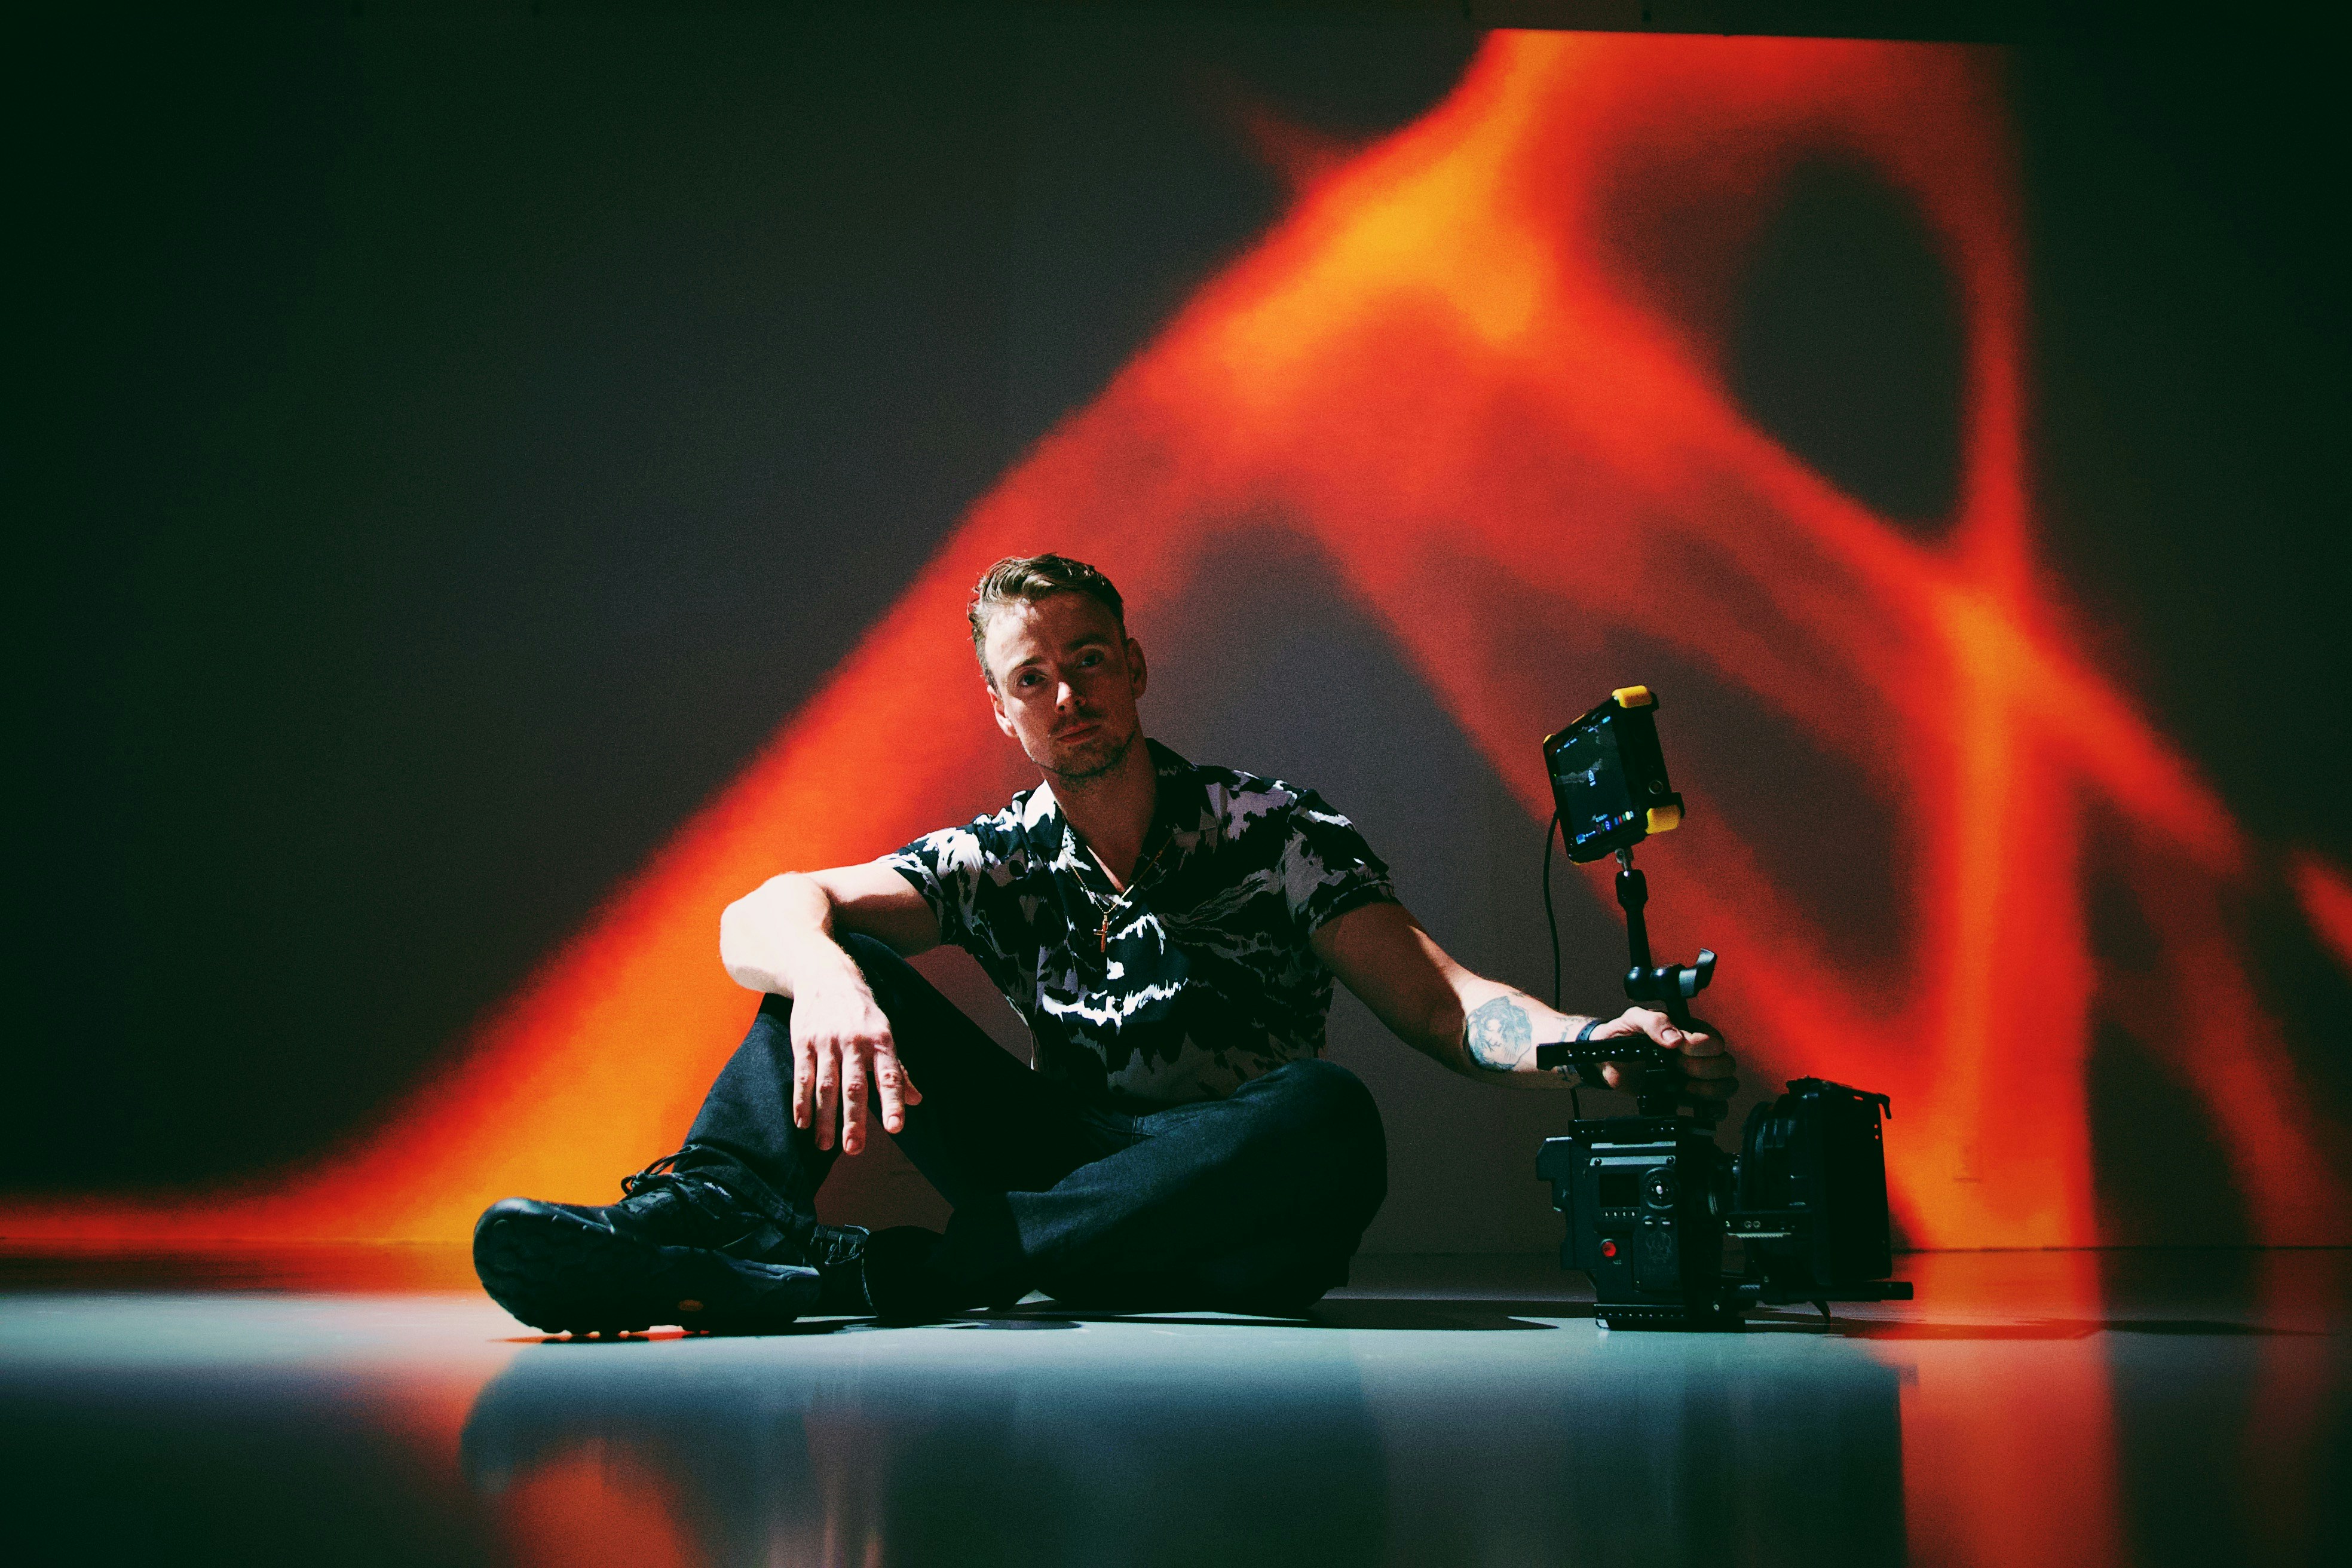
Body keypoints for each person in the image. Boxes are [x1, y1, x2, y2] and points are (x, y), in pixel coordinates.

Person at [472, 554, 1735, 1333]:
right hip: (1061, 1175)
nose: (1067, 696)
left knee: (1329, 1113)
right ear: (1006, 709)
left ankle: (891, 1278)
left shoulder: (1270, 827)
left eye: (1089, 662)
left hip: (1234, 1204)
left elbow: (1442, 1005)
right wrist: (823, 975)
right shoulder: (1003, 854)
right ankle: (700, 1229)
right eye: (1034, 678)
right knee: (823, 973)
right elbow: (761, 910)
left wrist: (1584, 1043)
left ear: (1132, 666)